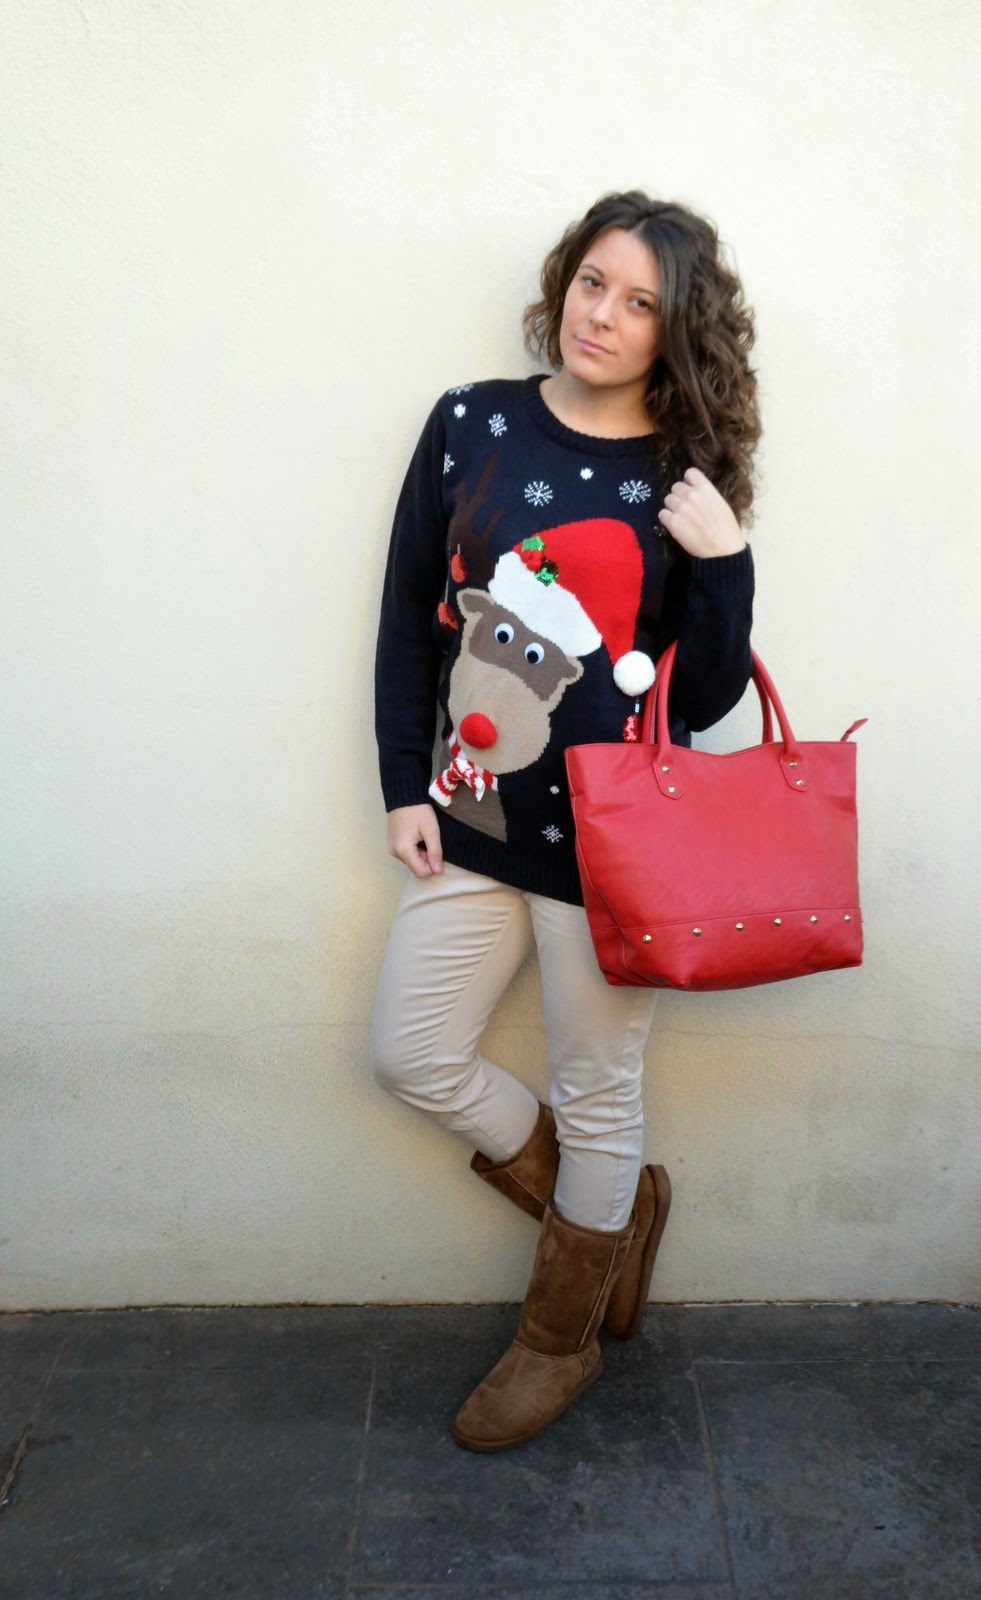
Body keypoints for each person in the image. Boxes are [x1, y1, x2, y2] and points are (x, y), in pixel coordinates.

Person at [371, 190, 760, 1453]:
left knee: (599, 1093)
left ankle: (558, 1337)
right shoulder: (471, 423)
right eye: (595, 281)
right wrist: (402, 783)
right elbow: (411, 617)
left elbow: (702, 699)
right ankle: (610, 1221)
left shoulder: (680, 478)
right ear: (565, 281)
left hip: (611, 849)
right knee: (411, 1050)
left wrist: (725, 562)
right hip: (472, 816)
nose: (604, 315)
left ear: (674, 332)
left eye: (642, 303)